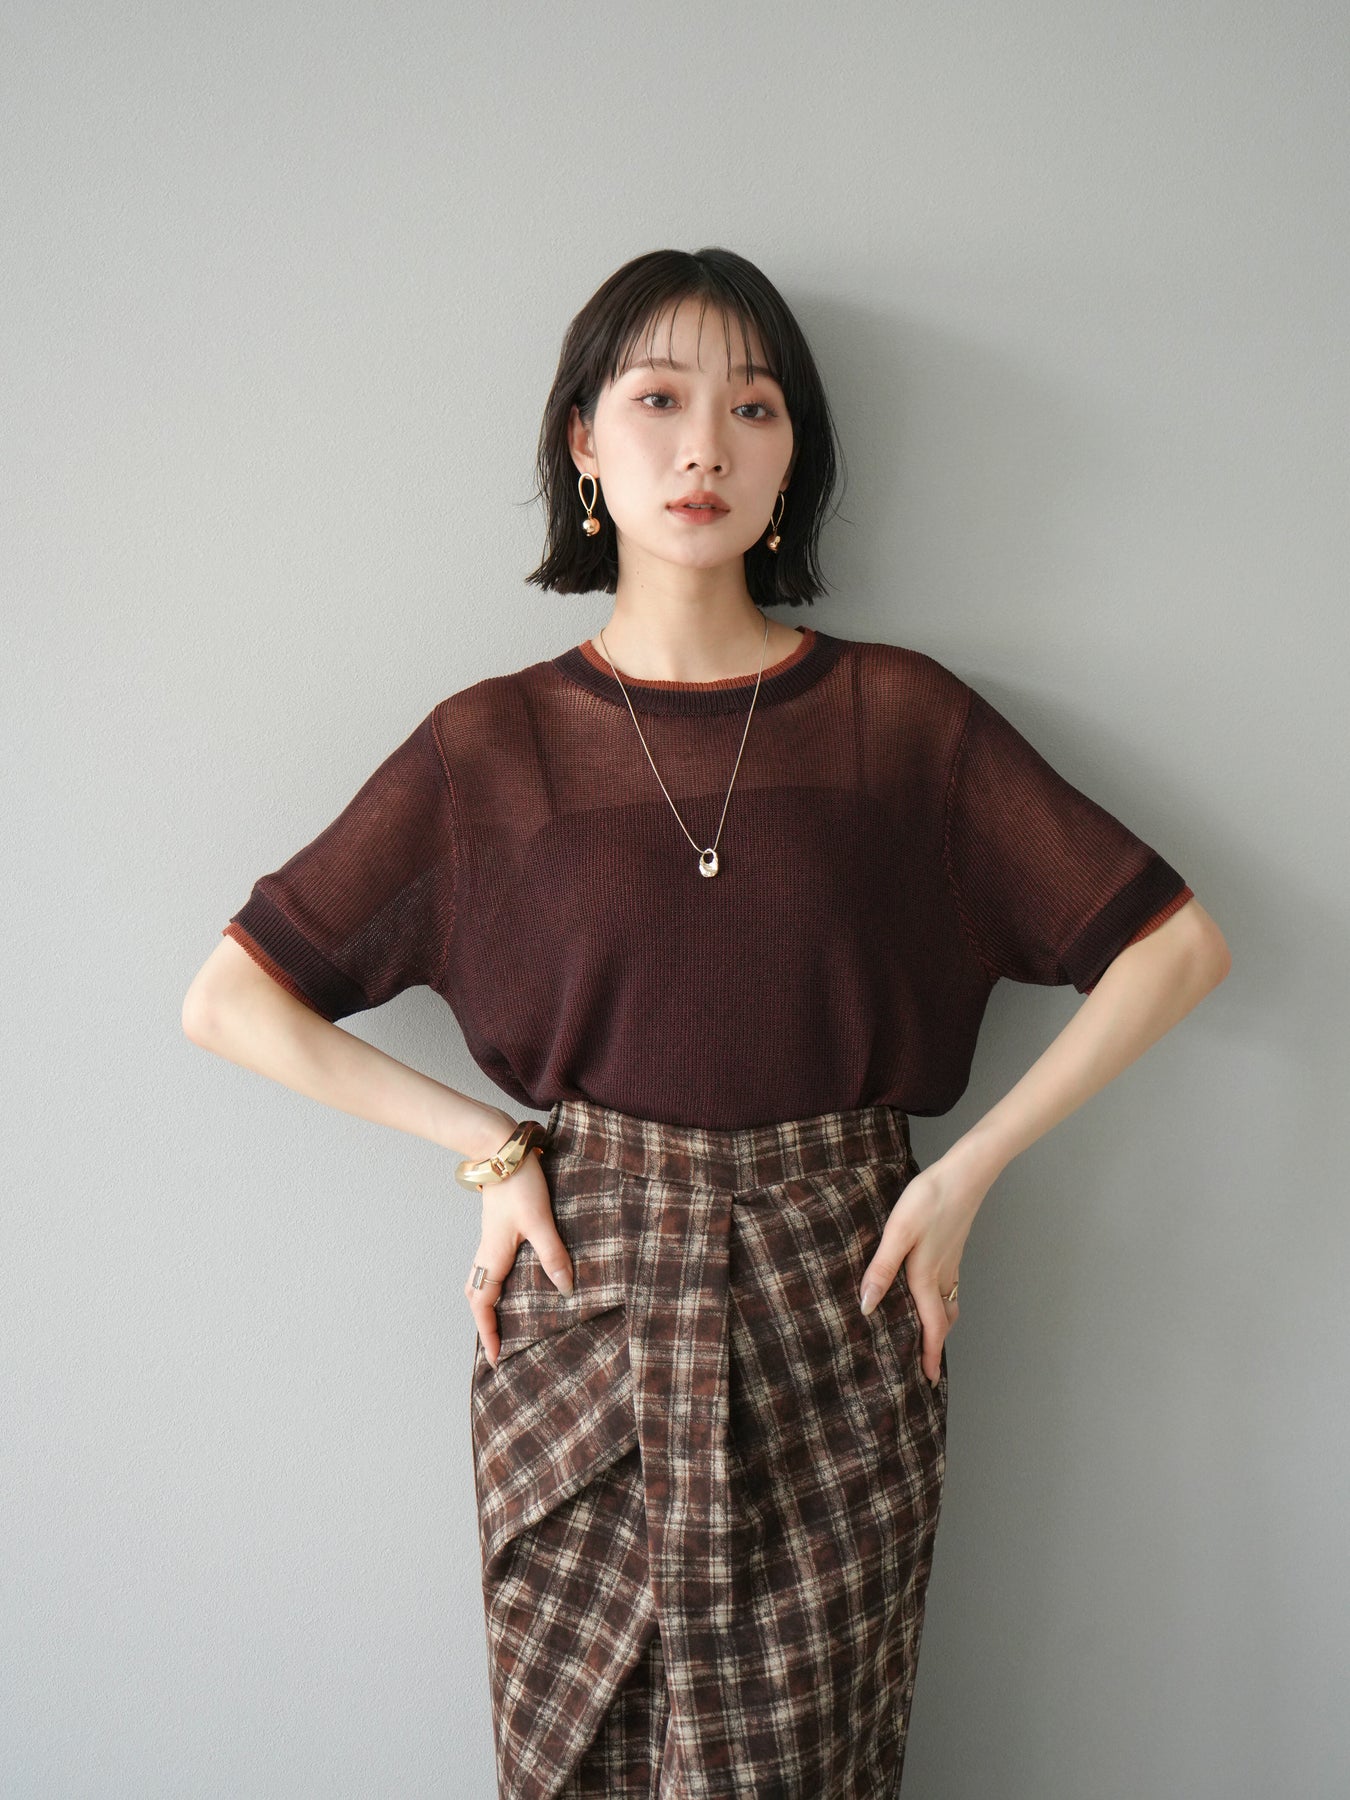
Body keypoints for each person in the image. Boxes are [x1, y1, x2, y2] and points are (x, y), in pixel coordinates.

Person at [182, 246, 1231, 1798]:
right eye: (658, 401)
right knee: (578, 1761)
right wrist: (489, 1147)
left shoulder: (899, 721)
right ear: (582, 444)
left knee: (807, 1764)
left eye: (752, 408)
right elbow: (231, 1001)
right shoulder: (492, 746)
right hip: (584, 1299)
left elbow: (1172, 949)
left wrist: (962, 1178)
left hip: (838, 1294)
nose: (704, 450)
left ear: (792, 455)